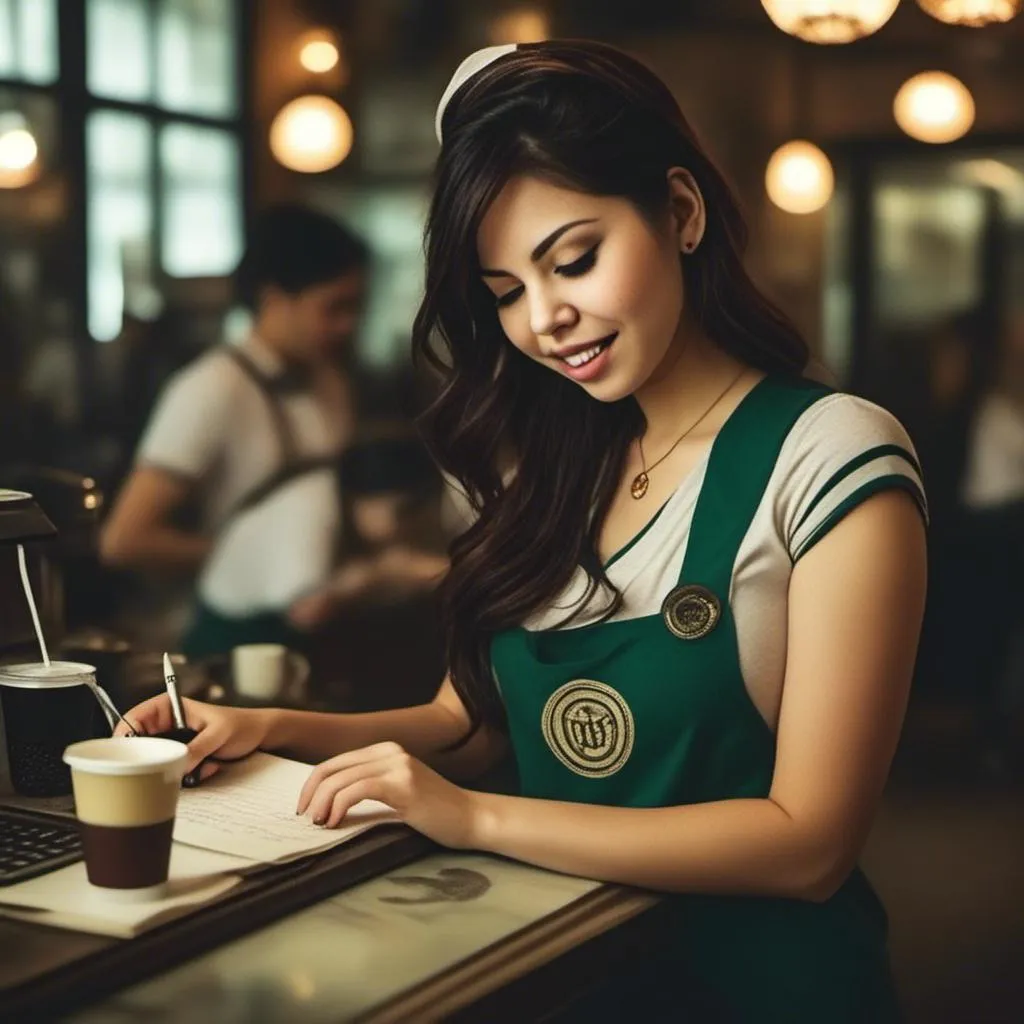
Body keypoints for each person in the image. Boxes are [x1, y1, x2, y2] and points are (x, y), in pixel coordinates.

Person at [120, 42, 928, 1021]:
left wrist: (477, 817)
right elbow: (463, 725)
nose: (546, 319)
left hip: (767, 991)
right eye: (503, 292)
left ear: (680, 212)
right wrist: (270, 730)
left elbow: (808, 843)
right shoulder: (548, 467)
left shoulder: (828, 453)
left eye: (573, 259)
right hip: (563, 970)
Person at [100, 203, 367, 657]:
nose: (349, 325)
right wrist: (258, 565)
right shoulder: (210, 389)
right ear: (273, 299)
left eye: (356, 307)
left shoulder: (330, 381)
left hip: (324, 625)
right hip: (230, 635)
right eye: (334, 307)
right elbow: (124, 541)